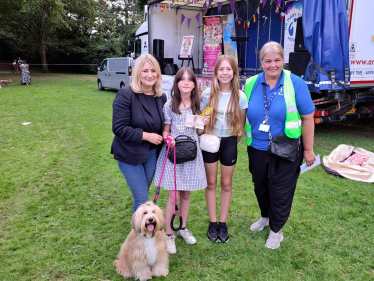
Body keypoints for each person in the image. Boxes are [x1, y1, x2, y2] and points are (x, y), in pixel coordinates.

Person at [245, 41, 315, 249]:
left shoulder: (296, 83)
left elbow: (308, 118)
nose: (272, 65)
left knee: (281, 190)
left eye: (277, 60)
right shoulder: (250, 84)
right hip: (257, 147)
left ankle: (277, 231)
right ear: (261, 62)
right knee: (261, 187)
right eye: (268, 61)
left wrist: (309, 149)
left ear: (283, 60)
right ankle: (266, 217)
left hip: (286, 149)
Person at [153, 67, 210, 254]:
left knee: (186, 195)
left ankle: (182, 228)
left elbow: (199, 132)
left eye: (189, 79)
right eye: (182, 79)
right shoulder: (169, 105)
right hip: (173, 154)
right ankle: (169, 234)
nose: (186, 82)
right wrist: (167, 137)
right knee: (173, 196)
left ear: (195, 84)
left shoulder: (199, 104)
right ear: (177, 83)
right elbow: (166, 130)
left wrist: (204, 124)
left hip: (192, 154)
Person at [201, 55, 248, 243]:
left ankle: (223, 222)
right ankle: (213, 223)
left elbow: (240, 128)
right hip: (210, 141)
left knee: (226, 184)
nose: (225, 73)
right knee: (211, 183)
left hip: (229, 142)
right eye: (221, 69)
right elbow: (201, 121)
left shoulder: (240, 97)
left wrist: (229, 144)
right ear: (216, 72)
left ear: (234, 73)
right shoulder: (206, 94)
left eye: (229, 69)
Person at [111, 54, 167, 214]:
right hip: (129, 155)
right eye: (145, 71)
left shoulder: (161, 97)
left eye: (153, 71)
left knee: (142, 195)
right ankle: (139, 235)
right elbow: (119, 127)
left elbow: (165, 123)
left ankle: (140, 229)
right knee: (142, 198)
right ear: (137, 73)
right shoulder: (126, 94)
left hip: (151, 155)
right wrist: (147, 136)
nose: (150, 75)